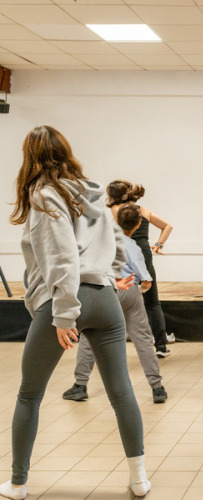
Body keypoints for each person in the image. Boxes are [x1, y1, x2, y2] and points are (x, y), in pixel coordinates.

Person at [3, 126, 150, 499]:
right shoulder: (92, 192)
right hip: (104, 297)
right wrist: (111, 278)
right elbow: (112, 242)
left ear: (30, 158)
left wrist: (65, 314)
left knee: (29, 395)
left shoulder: (44, 196)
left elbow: (63, 257)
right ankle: (139, 479)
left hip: (67, 300)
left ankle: (18, 484)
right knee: (121, 391)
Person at [62, 203, 168, 405]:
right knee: (143, 339)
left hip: (104, 291)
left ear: (116, 221)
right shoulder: (134, 246)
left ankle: (80, 385)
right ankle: (157, 388)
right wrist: (138, 290)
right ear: (137, 225)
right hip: (129, 291)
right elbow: (146, 280)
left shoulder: (101, 242)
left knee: (89, 338)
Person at [107, 180, 173, 357]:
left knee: (117, 300)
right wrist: (158, 244)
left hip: (125, 254)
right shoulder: (143, 211)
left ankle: (113, 344)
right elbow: (168, 226)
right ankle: (161, 346)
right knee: (153, 302)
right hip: (144, 253)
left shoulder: (115, 210)